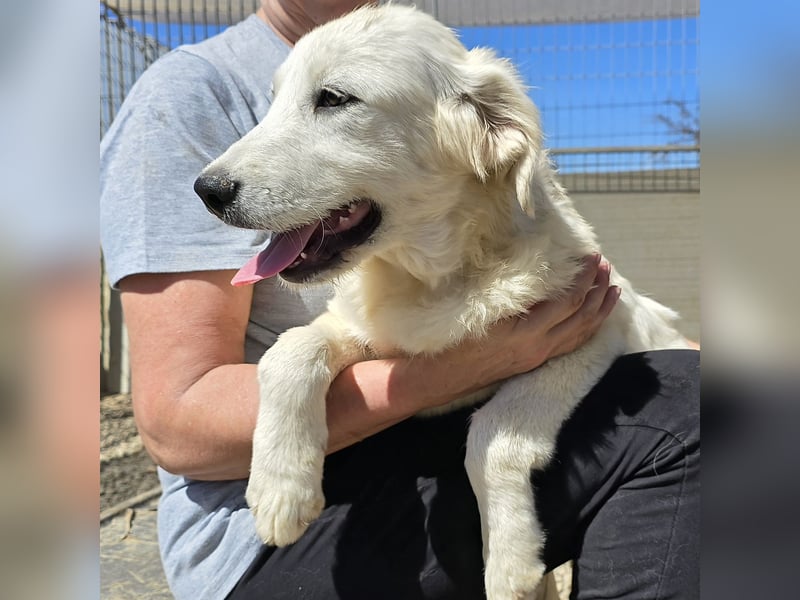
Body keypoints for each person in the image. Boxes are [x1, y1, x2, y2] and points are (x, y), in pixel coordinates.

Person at [100, 1, 700, 599]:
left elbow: (603, 311)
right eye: (284, 101)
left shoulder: (424, 66)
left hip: (418, 452)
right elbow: (177, 428)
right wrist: (464, 367)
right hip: (270, 541)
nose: (246, 151)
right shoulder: (187, 93)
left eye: (331, 102)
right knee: (689, 412)